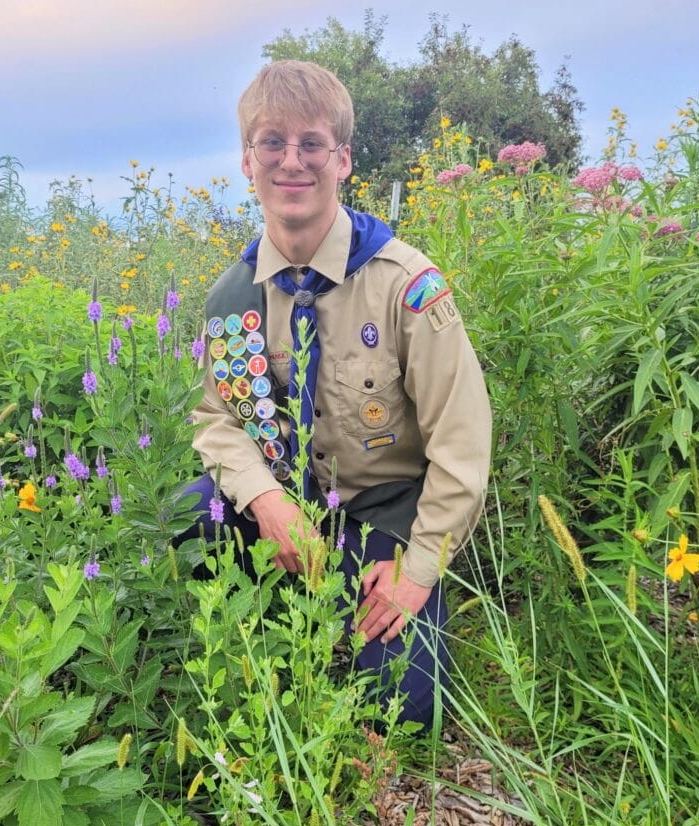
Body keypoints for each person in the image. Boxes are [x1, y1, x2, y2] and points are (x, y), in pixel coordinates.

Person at [177, 60, 492, 729]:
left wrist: (418, 568)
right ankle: (246, 643)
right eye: (272, 142)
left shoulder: (406, 285)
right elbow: (219, 422)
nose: (292, 162)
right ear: (247, 160)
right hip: (292, 509)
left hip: (385, 511)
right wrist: (265, 501)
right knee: (192, 513)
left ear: (342, 159)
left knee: (400, 717)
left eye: (311, 144)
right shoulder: (233, 298)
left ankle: (367, 607)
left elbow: (461, 442)